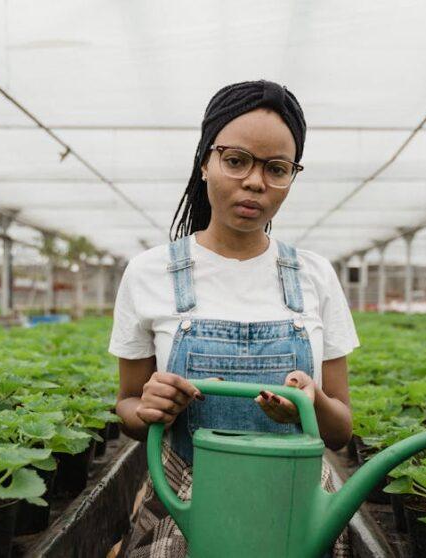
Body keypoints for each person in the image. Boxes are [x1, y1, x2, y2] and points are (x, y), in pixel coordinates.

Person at [109, 79, 359, 558]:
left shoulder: (314, 275)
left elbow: (341, 429)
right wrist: (149, 408)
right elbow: (126, 406)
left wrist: (312, 403)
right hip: (186, 493)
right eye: (236, 160)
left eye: (277, 168)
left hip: (295, 494)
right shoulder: (148, 273)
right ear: (205, 161)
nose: (255, 182)